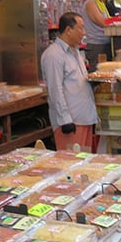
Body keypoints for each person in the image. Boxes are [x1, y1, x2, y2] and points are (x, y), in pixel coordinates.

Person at [41, 12, 98, 150]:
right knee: (71, 164)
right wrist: (65, 120)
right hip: (71, 122)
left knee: (84, 164)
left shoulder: (75, 51)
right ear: (68, 30)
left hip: (85, 118)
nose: (84, 33)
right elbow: (56, 90)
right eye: (81, 28)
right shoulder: (54, 55)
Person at [82, 0, 113, 72]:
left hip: (105, 44)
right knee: (98, 76)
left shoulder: (101, 4)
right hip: (97, 46)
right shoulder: (91, 3)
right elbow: (103, 22)